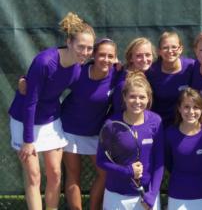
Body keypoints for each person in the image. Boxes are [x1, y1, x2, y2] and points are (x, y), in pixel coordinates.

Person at [8, 12, 95, 210]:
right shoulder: (45, 61)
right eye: (81, 46)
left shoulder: (78, 68)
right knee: (34, 175)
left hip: (50, 120)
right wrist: (28, 140)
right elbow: (30, 102)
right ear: (69, 42)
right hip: (25, 120)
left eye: (89, 48)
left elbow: (90, 84)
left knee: (55, 173)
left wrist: (114, 68)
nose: (85, 52)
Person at [60, 38, 118, 210]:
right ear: (93, 55)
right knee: (73, 175)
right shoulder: (78, 72)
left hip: (95, 132)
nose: (105, 59)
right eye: (101, 55)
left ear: (115, 58)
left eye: (110, 56)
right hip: (69, 129)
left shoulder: (117, 74)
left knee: (105, 173)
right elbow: (53, 80)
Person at [97, 71, 164, 210]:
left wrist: (152, 194)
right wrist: (127, 171)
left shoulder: (156, 121)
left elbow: (159, 162)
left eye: (142, 97)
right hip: (116, 197)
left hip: (146, 198)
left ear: (148, 98)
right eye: (132, 97)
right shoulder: (111, 125)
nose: (137, 101)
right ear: (124, 97)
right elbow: (101, 161)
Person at [165, 87, 202, 210]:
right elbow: (169, 163)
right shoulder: (169, 134)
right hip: (178, 195)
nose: (191, 111)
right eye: (186, 107)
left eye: (196, 107)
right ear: (179, 108)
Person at [146, 31, 195, 127]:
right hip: (160, 125)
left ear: (180, 49)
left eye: (174, 47)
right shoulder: (151, 71)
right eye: (165, 48)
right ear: (159, 51)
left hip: (185, 123)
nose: (170, 51)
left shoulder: (192, 67)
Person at [112, 37, 156, 114]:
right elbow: (119, 113)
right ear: (131, 58)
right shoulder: (124, 83)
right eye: (139, 56)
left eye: (148, 55)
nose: (144, 59)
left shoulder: (148, 73)